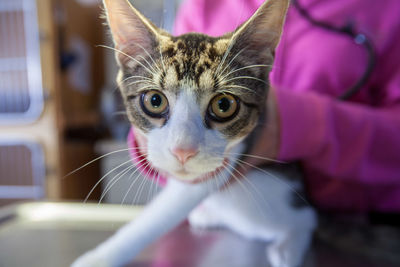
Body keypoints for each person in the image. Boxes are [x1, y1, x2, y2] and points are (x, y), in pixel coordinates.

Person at [173, 0, 400, 213]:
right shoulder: (204, 4)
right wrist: (150, 140)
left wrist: (308, 125)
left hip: (359, 225)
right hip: (221, 219)